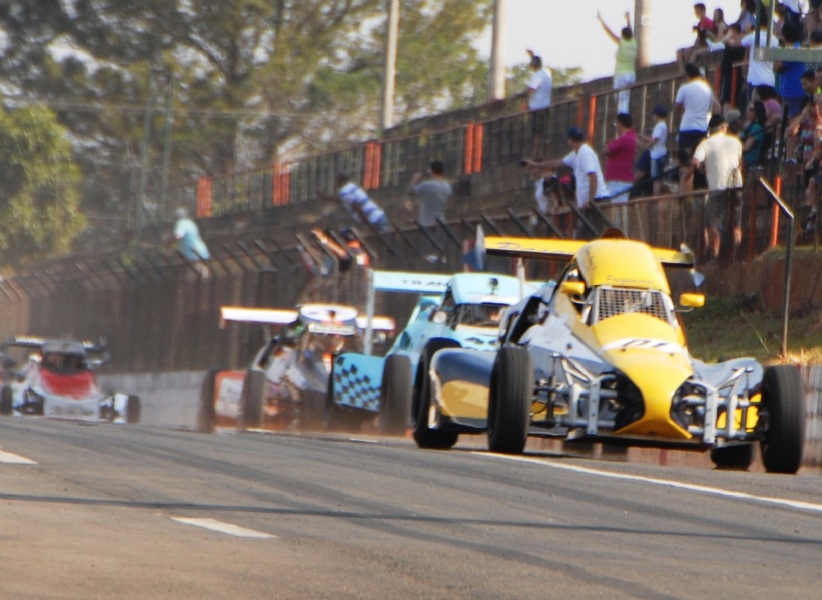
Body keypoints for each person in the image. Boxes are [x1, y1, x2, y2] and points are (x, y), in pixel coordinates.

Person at [524, 127, 609, 239]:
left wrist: (590, 200)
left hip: (596, 201)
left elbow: (593, 176)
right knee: (585, 236)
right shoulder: (576, 154)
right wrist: (536, 164)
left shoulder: (585, 153)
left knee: (593, 235)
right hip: (587, 204)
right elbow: (558, 163)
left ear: (570, 140)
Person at [692, 114, 744, 262]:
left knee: (713, 223)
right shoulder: (736, 142)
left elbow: (695, 162)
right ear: (724, 127)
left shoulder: (706, 143)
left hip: (717, 186)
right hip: (737, 185)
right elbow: (740, 163)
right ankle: (734, 257)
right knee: (736, 223)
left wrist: (705, 170)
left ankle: (714, 257)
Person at [675, 62, 721, 191]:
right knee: (700, 160)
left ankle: (685, 190)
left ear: (687, 75)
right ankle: (700, 189)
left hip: (686, 127)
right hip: (701, 129)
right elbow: (717, 107)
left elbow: (676, 108)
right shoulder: (707, 89)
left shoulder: (685, 88)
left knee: (685, 161)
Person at [409, 160, 453, 261]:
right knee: (438, 252)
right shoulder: (447, 187)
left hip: (426, 223)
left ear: (432, 172)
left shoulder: (427, 185)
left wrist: (414, 179)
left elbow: (411, 191)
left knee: (425, 253)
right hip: (441, 223)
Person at [597, 11, 637, 114]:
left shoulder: (622, 43)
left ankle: (622, 122)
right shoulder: (633, 43)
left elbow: (609, 32)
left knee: (621, 102)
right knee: (626, 100)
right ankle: (625, 119)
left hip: (621, 75)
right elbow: (630, 30)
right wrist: (628, 19)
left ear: (622, 35)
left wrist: (601, 20)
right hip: (631, 75)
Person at [603, 113, 637, 231]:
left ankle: (620, 236)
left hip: (619, 181)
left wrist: (610, 143)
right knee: (618, 213)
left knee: (619, 214)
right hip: (619, 180)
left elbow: (606, 150)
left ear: (620, 123)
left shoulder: (626, 139)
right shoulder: (629, 138)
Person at [524, 50, 553, 158]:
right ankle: (541, 155)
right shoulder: (547, 74)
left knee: (537, 133)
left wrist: (523, 96)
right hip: (545, 107)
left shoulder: (537, 76)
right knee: (542, 133)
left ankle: (535, 156)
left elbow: (531, 89)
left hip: (538, 108)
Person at [638, 104, 670, 195]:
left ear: (656, 115)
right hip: (658, 153)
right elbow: (655, 139)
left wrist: (647, 146)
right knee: (656, 178)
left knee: (656, 179)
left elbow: (655, 140)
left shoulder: (659, 126)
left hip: (657, 155)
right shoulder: (663, 125)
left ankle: (656, 195)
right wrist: (643, 137)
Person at [173, 207, 210, 278]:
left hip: (193, 253)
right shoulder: (190, 223)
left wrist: (167, 242)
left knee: (192, 277)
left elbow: (178, 236)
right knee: (203, 274)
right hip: (202, 251)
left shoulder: (180, 223)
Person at [739, 100, 767, 171]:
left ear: (757, 112)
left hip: (748, 160)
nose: (748, 111)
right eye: (748, 108)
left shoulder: (756, 127)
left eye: (751, 109)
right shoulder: (749, 125)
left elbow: (746, 147)